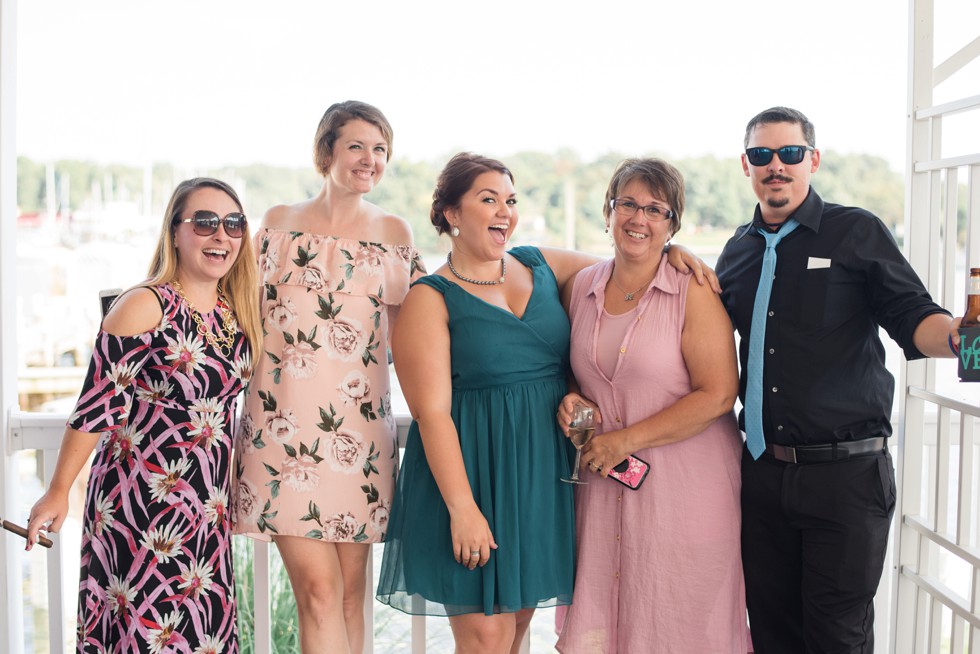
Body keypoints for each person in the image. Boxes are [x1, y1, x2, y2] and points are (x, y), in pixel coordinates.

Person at [715, 106, 956, 653]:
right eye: (762, 155)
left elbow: (913, 315)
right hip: (761, 475)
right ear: (747, 165)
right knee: (772, 634)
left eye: (790, 154)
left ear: (813, 160)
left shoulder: (856, 231)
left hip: (845, 477)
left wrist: (961, 337)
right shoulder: (736, 250)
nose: (776, 165)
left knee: (836, 639)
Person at [25, 177, 261, 652]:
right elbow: (95, 407)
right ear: (175, 231)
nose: (222, 235)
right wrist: (56, 492)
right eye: (206, 222)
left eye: (233, 224)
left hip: (204, 513)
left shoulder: (234, 313)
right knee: (150, 637)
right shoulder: (144, 304)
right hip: (143, 509)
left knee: (200, 638)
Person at [231, 100, 425, 654]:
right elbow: (237, 311)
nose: (371, 159)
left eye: (381, 149)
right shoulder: (277, 223)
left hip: (359, 440)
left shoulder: (394, 232)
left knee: (348, 595)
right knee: (318, 592)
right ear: (326, 152)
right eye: (357, 146)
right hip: (282, 435)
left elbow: (418, 337)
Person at [553, 158, 751, 653]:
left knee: (681, 621)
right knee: (611, 621)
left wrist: (625, 440)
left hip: (686, 494)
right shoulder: (581, 287)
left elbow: (719, 394)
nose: (638, 219)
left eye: (655, 210)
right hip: (603, 494)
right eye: (628, 205)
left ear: (672, 223)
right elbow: (574, 370)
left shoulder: (694, 291)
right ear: (609, 210)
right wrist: (570, 397)